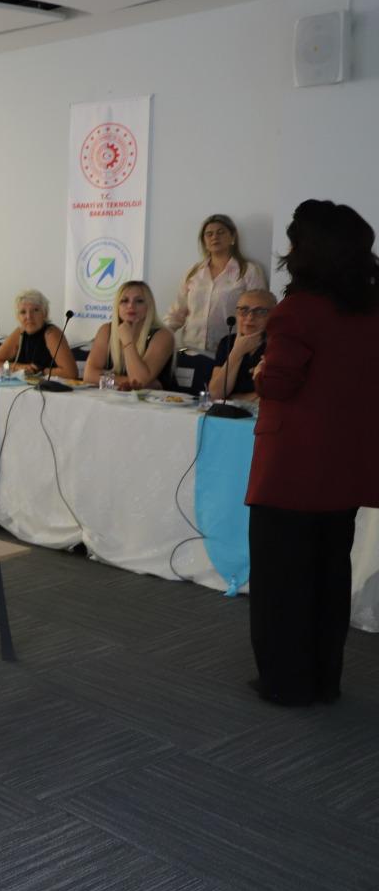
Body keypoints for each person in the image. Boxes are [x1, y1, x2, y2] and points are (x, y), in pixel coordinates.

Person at [245, 200, 379, 707]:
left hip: (292, 464)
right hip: (345, 462)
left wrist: (261, 372)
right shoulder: (370, 308)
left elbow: (280, 382)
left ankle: (285, 682)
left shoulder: (298, 310)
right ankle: (324, 678)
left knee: (282, 578)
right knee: (329, 572)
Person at [164, 214, 268, 352]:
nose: (214, 237)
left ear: (232, 237)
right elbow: (178, 312)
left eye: (220, 232)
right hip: (191, 349)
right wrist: (159, 335)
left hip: (230, 351)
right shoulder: (194, 273)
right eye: (209, 234)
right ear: (204, 241)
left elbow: (260, 313)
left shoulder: (249, 271)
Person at [84, 281, 176, 390]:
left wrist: (127, 341)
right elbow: (89, 376)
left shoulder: (163, 336)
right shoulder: (106, 330)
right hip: (115, 397)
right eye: (124, 301)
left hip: (155, 400)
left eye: (139, 301)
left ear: (149, 306)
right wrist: (129, 382)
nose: (131, 306)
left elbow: (138, 380)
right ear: (117, 306)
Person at [0, 289, 79, 380]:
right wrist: (19, 367)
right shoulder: (20, 332)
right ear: (18, 317)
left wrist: (39, 371)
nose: (29, 317)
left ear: (45, 313)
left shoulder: (51, 333)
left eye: (35, 310)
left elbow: (70, 373)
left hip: (50, 387)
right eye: (23, 312)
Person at [207, 289, 277, 401]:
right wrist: (237, 351)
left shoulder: (279, 346)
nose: (250, 317)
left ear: (273, 315)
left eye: (260, 312)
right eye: (244, 310)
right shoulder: (227, 342)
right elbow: (216, 394)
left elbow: (271, 395)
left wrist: (232, 398)